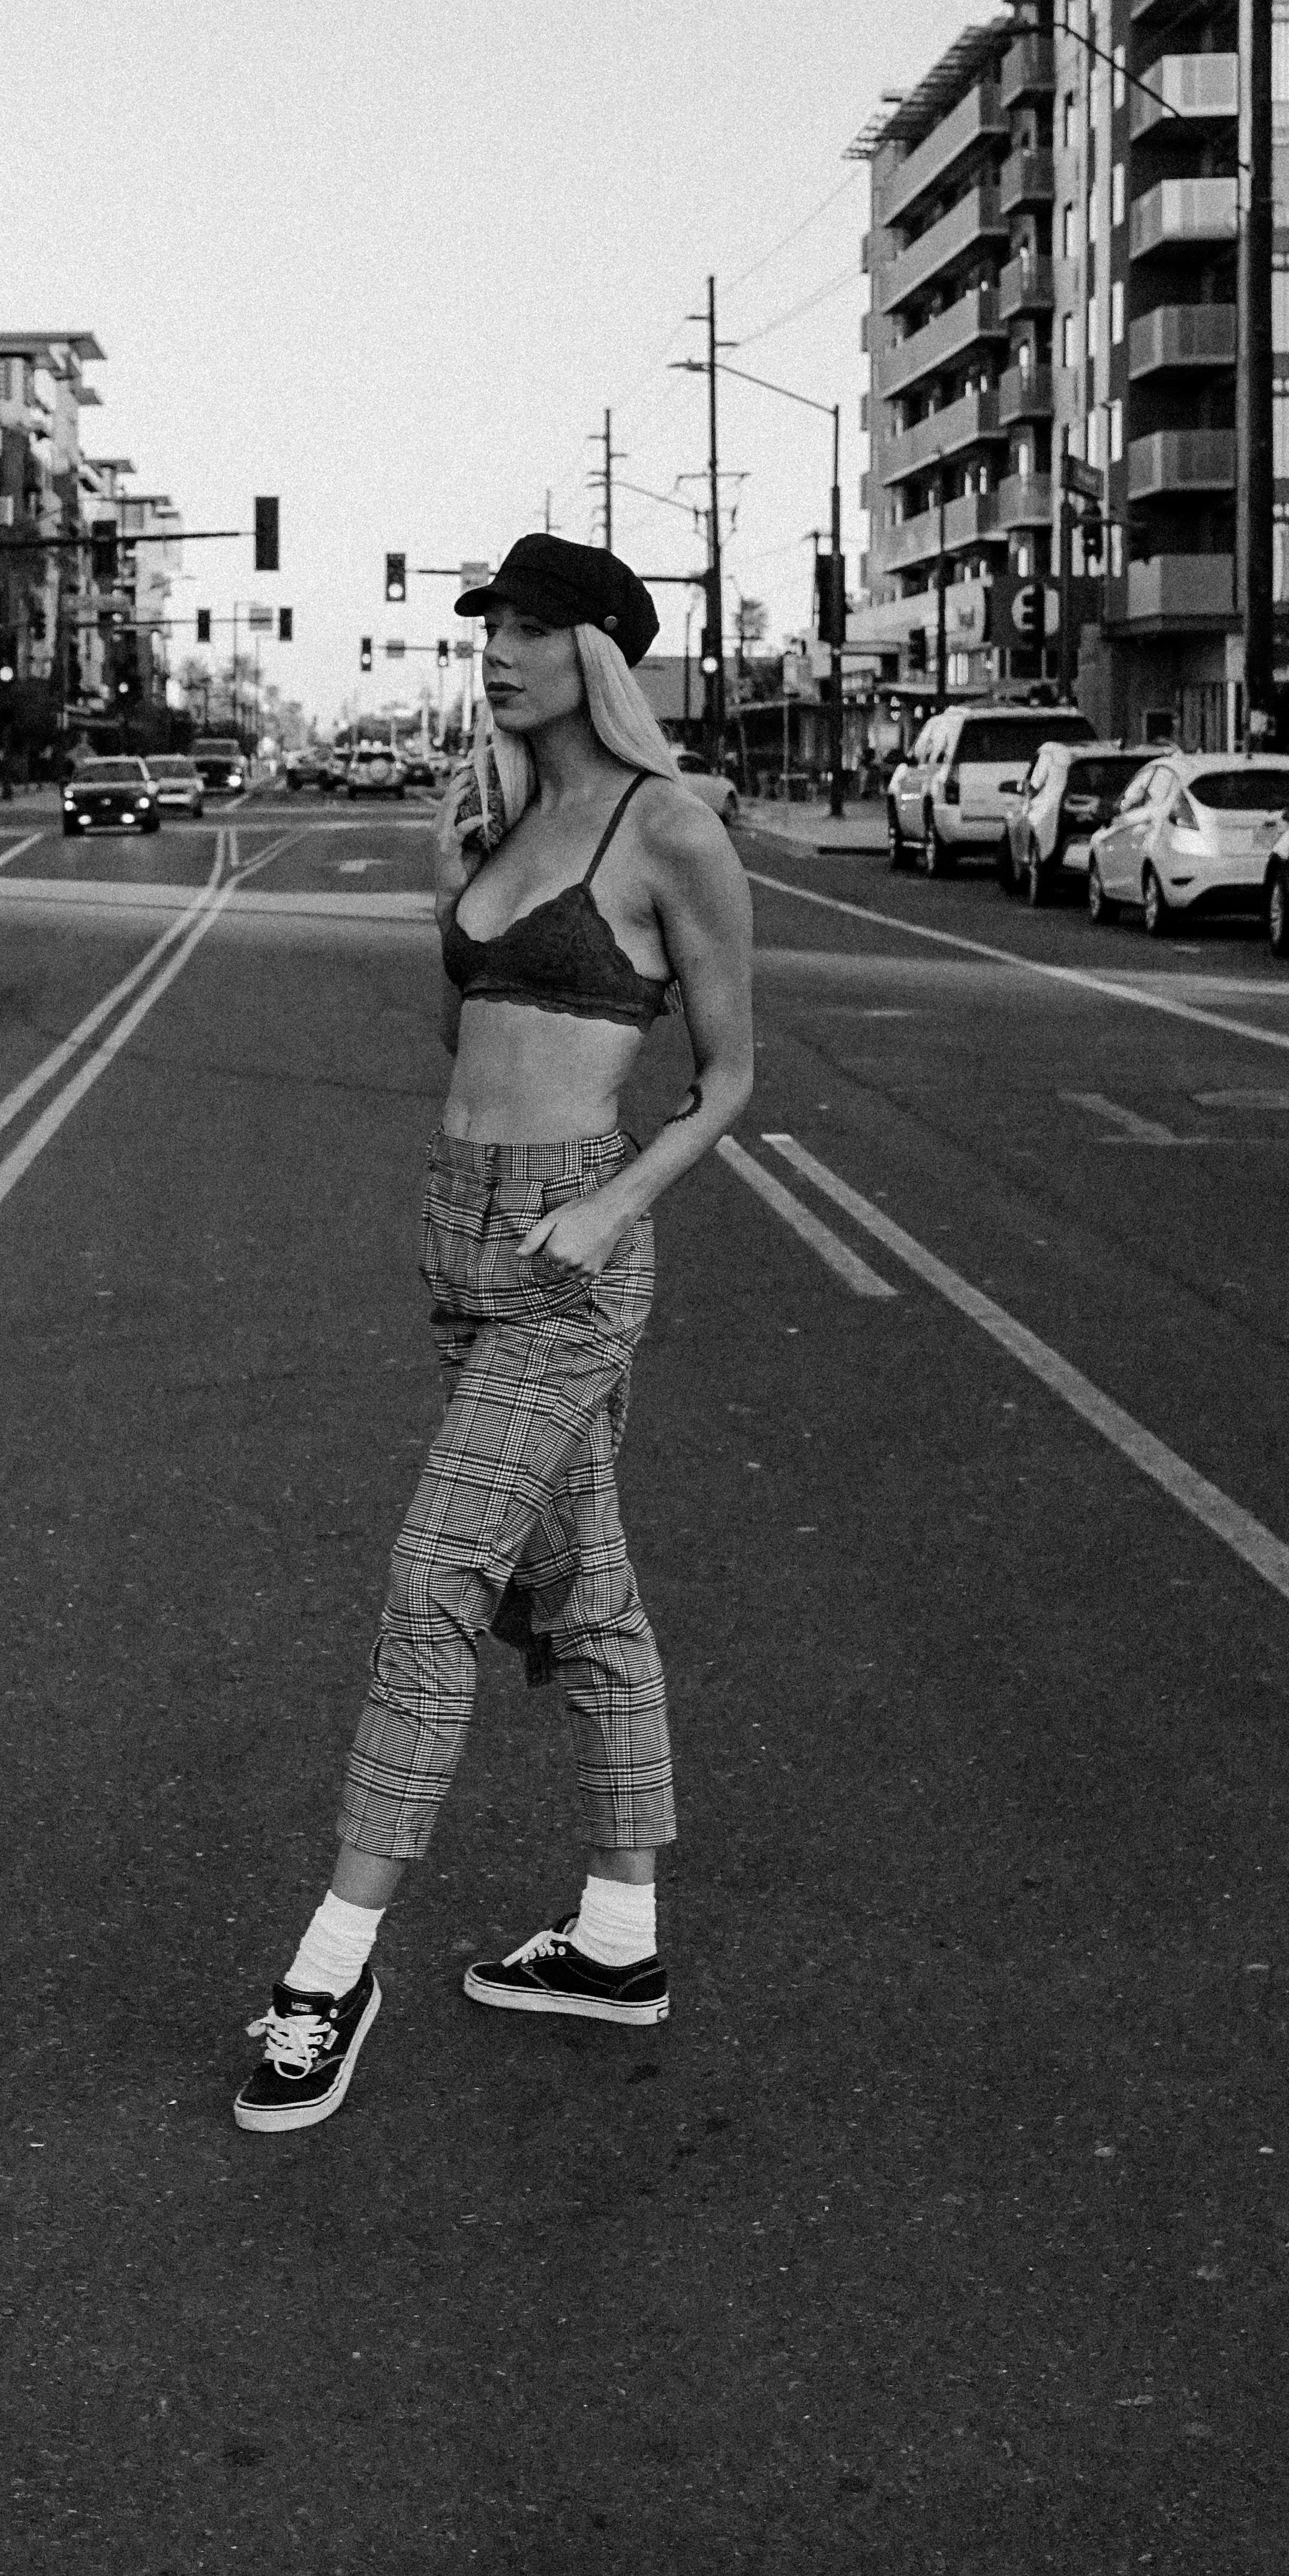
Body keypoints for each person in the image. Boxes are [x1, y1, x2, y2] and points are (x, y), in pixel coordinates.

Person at [235, 535, 756, 2134]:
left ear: (601, 649)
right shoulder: (493, 814)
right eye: (491, 626)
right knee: (585, 1592)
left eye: (531, 626)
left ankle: (329, 1971)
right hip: (461, 1229)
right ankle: (616, 1941)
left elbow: (730, 1079)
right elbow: (470, 1035)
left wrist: (603, 1212)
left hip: (568, 1253)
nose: (499, 649)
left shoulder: (672, 828)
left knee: (431, 1575)